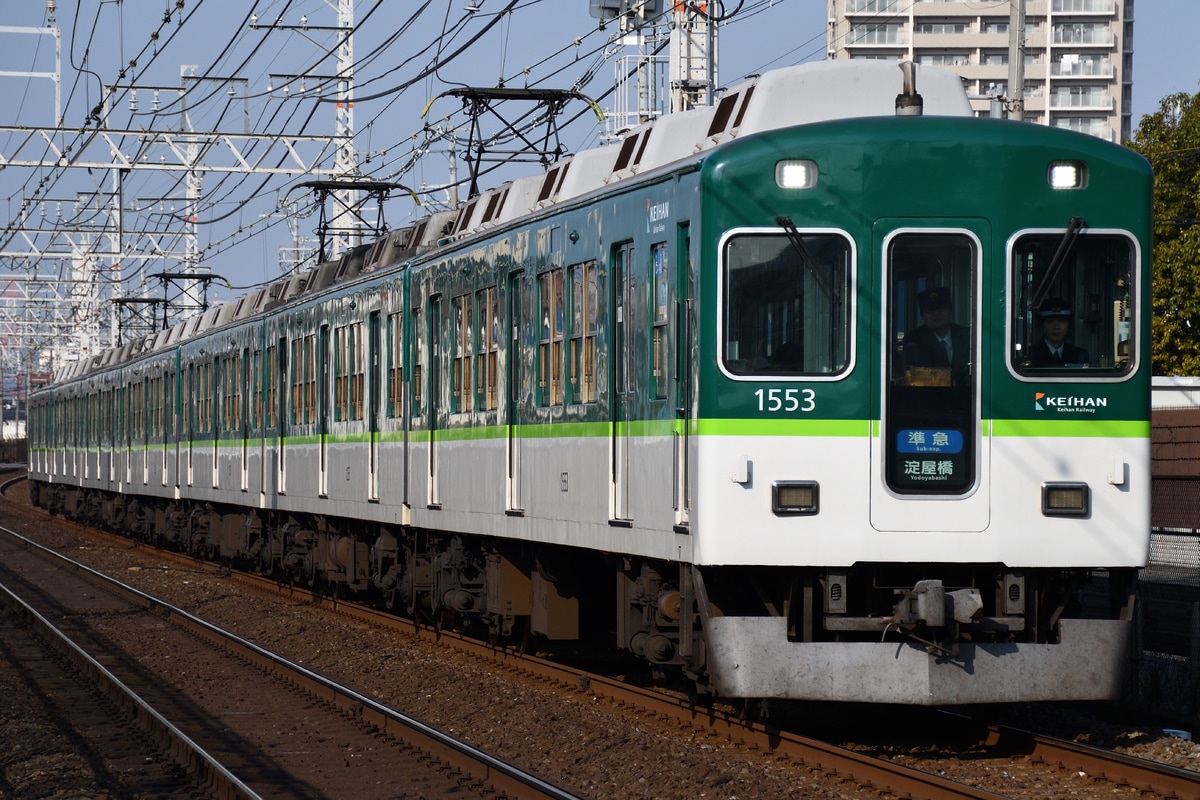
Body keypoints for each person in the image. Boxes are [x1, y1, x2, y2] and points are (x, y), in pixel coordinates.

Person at [902, 287, 971, 385]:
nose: (936, 314)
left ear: (950, 310)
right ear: (922, 315)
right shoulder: (915, 340)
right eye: (930, 311)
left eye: (941, 309)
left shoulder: (967, 336)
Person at [1029, 297, 1089, 367]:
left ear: (1069, 324)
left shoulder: (1079, 356)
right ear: (1041, 324)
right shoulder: (1031, 355)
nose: (1056, 327)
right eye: (1051, 321)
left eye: (1062, 321)